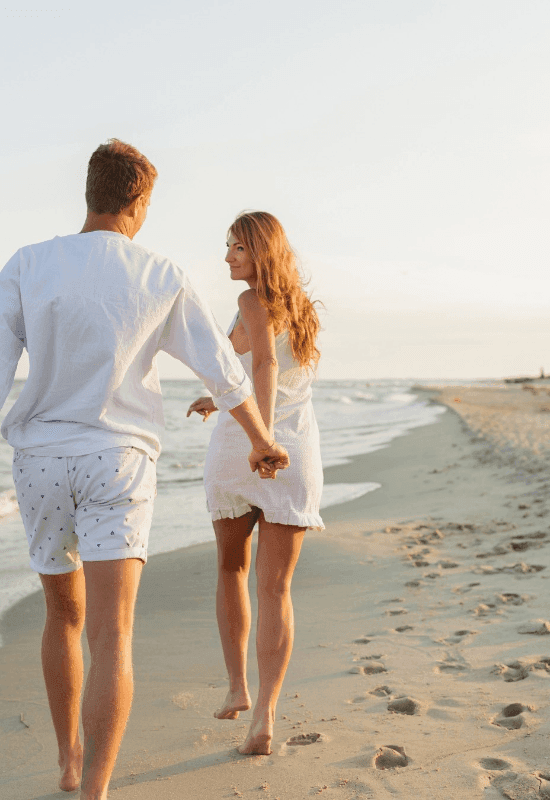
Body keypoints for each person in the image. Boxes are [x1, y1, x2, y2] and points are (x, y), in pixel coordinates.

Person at [0, 142, 288, 800]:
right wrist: (262, 440)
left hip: (41, 460)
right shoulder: (159, 272)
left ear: (89, 193)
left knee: (61, 618)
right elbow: (223, 369)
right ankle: (95, 788)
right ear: (138, 203)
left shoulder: (27, 265)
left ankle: (70, 760)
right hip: (118, 461)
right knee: (113, 630)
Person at [187, 211, 324, 755]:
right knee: (277, 589)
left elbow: (264, 364)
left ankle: (238, 687)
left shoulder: (250, 302)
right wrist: (215, 398)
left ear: (261, 251)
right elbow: (268, 371)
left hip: (249, 449)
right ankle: (264, 713)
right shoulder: (303, 307)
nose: (226, 257)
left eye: (236, 247)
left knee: (231, 570)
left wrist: (260, 439)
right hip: (299, 452)